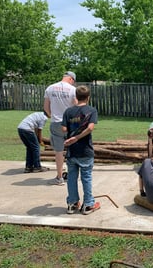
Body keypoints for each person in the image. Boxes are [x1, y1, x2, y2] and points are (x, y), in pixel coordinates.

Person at [62, 85, 100, 215]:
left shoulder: (68, 111)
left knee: (72, 177)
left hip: (71, 151)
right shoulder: (91, 110)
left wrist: (71, 137)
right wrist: (77, 137)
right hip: (85, 150)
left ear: (76, 97)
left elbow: (64, 129)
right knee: (86, 177)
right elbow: (90, 128)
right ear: (88, 97)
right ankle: (88, 204)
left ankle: (72, 204)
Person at [44, 71, 77, 185]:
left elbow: (46, 107)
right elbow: (77, 106)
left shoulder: (50, 88)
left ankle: (59, 177)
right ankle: (72, 174)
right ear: (71, 79)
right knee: (72, 149)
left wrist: (52, 116)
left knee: (59, 151)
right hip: (70, 123)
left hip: (56, 122)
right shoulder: (72, 90)